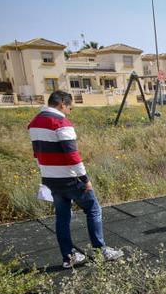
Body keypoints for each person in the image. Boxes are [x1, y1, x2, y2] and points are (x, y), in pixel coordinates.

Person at [28, 90, 123, 268]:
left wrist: (47, 174)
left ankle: (69, 257)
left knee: (62, 217)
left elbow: (37, 153)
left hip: (50, 178)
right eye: (69, 108)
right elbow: (72, 155)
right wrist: (85, 179)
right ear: (62, 103)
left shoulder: (34, 123)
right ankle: (101, 251)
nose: (69, 111)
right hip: (70, 179)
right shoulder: (61, 123)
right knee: (93, 209)